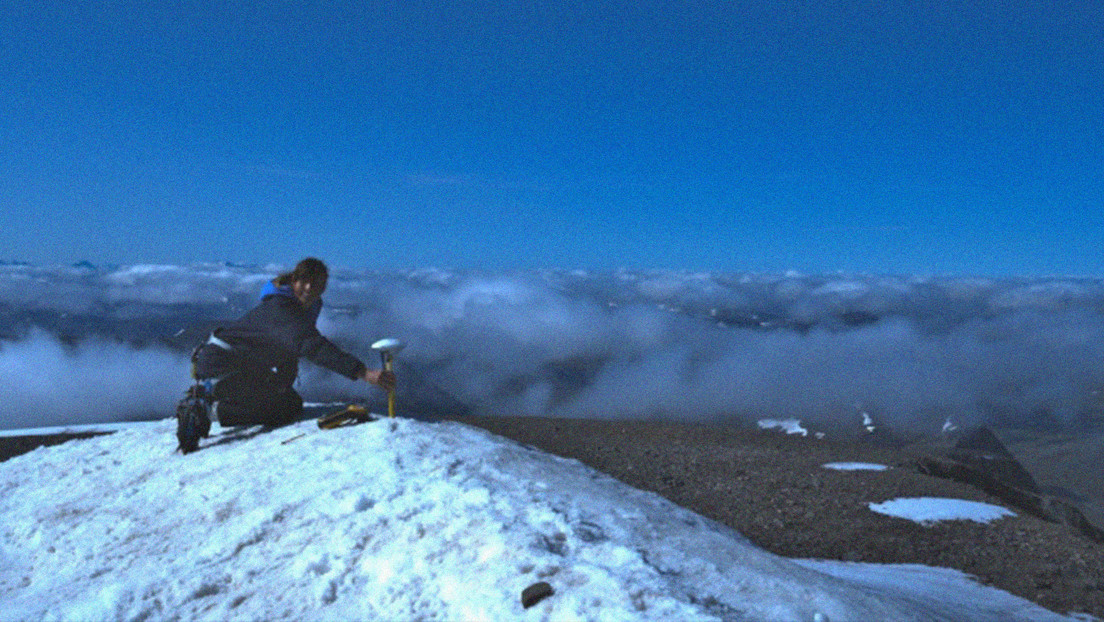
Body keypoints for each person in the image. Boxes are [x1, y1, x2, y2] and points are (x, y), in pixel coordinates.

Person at [176, 258, 394, 452]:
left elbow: (289, 348)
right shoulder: (281, 309)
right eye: (304, 281)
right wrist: (363, 372)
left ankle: (214, 394)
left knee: (289, 402)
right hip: (222, 362)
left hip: (239, 361)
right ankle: (209, 408)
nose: (309, 288)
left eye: (317, 283)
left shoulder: (302, 307)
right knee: (283, 408)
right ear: (294, 280)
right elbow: (311, 345)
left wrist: (282, 385)